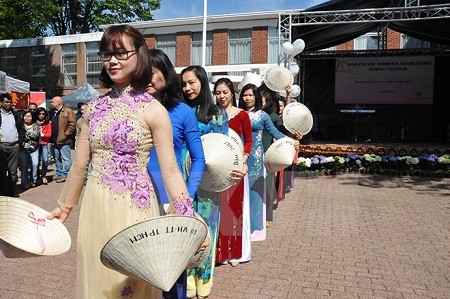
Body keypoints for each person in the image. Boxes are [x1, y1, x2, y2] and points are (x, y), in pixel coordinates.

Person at [47, 24, 207, 299]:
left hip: (136, 209)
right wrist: (64, 207)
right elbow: (79, 165)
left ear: (139, 55)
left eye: (121, 53)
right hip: (95, 208)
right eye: (107, 54)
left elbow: (170, 169)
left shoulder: (154, 110)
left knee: (130, 286)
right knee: (98, 282)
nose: (112, 60)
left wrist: (187, 215)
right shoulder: (93, 109)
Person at [146, 49, 206, 299]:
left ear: (166, 73)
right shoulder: (132, 109)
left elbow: (199, 159)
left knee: (172, 269)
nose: (146, 77)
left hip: (172, 197)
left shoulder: (182, 111)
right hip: (138, 197)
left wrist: (185, 199)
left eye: (152, 71)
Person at [181, 65, 228, 299]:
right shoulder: (179, 109)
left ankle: (204, 279)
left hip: (208, 181)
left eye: (192, 82)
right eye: (184, 83)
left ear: (202, 82)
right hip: (182, 178)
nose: (187, 88)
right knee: (187, 228)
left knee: (207, 230)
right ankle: (188, 278)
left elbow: (224, 147)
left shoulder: (217, 114)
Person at [238, 83, 298, 241]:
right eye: (245, 95)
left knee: (255, 192)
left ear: (256, 97)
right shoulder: (237, 114)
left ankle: (253, 228)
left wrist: (291, 141)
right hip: (238, 157)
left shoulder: (262, 116)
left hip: (256, 158)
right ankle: (239, 226)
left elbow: (275, 133)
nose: (248, 98)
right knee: (239, 192)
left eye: (250, 95)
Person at [213, 77, 252, 267]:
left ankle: (235, 252)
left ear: (232, 93)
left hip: (236, 169)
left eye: (225, 92)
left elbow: (248, 141)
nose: (221, 96)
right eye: (218, 92)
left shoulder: (242, 114)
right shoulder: (212, 114)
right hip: (216, 169)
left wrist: (243, 160)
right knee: (220, 210)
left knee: (234, 210)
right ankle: (220, 252)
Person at [0, 93, 25, 196]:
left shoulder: (15, 115)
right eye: (6, 102)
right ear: (1, 102)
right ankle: (2, 193)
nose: (9, 104)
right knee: (1, 172)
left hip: (14, 146)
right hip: (2, 146)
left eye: (10, 102)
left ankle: (11, 192)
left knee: (13, 172)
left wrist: (19, 143)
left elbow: (21, 130)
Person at [50, 95, 76, 183]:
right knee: (57, 158)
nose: (51, 103)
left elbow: (72, 124)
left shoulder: (68, 111)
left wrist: (66, 134)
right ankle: (59, 173)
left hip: (64, 140)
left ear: (58, 103)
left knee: (66, 158)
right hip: (54, 139)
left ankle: (65, 174)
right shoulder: (53, 112)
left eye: (53, 102)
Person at [18, 109, 40, 189]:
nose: (27, 118)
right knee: (24, 166)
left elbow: (36, 135)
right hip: (23, 147)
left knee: (35, 164)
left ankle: (33, 180)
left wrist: (25, 134)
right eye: (26, 116)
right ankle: (25, 183)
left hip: (34, 147)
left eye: (29, 116)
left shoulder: (35, 125)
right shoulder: (20, 125)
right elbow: (19, 136)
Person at [36, 107, 52, 185]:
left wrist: (43, 135)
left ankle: (43, 175)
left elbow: (49, 134)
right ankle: (37, 176)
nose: (41, 115)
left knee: (45, 160)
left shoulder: (47, 123)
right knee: (37, 162)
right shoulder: (34, 122)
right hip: (36, 145)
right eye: (39, 114)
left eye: (43, 114)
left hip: (44, 144)